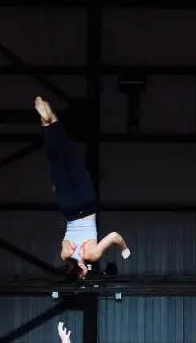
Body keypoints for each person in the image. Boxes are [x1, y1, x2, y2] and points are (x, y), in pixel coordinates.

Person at [36, 96, 130, 281]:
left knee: (70, 156)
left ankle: (51, 122)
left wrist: (124, 249)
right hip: (68, 207)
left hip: (86, 204)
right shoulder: (65, 253)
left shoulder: (92, 254)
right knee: (58, 161)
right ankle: (49, 123)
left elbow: (114, 236)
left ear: (81, 271)